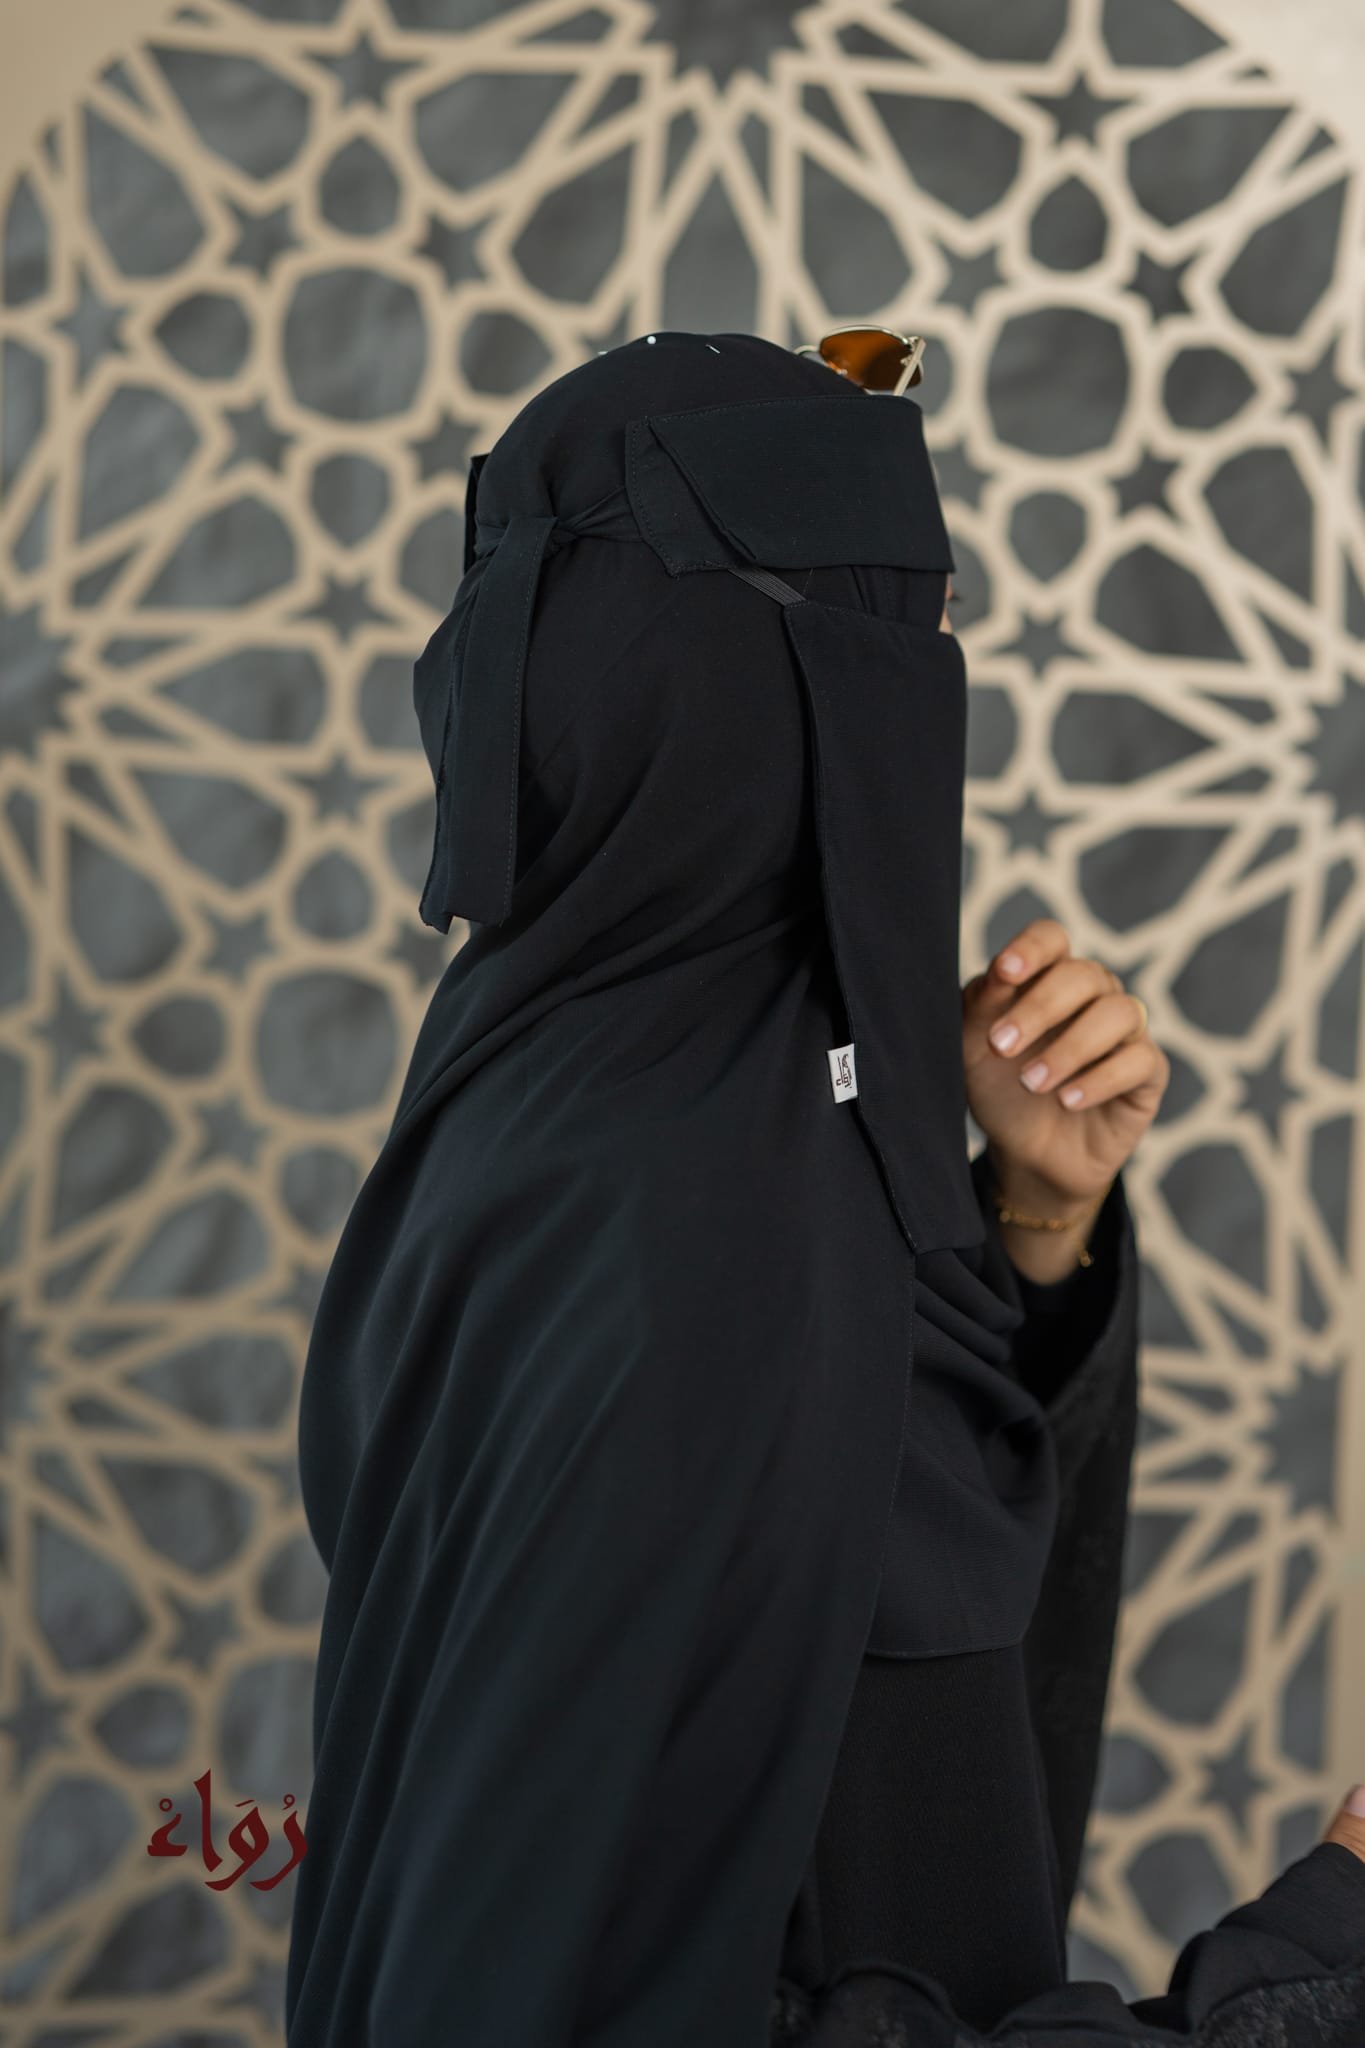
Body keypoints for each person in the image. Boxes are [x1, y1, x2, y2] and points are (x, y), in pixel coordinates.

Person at [283, 330, 1365, 2046]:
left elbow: (871, 1565)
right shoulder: (694, 1234)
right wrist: (1318, 1951)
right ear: (773, 697)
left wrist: (1030, 1217)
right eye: (907, 632)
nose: (933, 696)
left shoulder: (549, 1111)